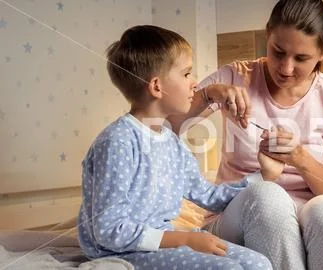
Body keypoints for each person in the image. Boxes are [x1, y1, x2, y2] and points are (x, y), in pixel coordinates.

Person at [168, 0, 323, 269]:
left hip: (307, 211)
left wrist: (300, 158)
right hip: (235, 214)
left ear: (321, 54)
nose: (286, 68)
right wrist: (211, 93)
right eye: (278, 52)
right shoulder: (234, 76)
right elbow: (164, 123)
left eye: (301, 58)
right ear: (268, 35)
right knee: (268, 197)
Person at [77, 25, 275, 270]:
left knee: (260, 263)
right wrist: (184, 238)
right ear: (157, 86)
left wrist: (262, 176)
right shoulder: (118, 142)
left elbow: (209, 197)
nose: (194, 84)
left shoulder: (171, 142)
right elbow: (108, 230)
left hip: (164, 241)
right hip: (124, 250)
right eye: (186, 74)